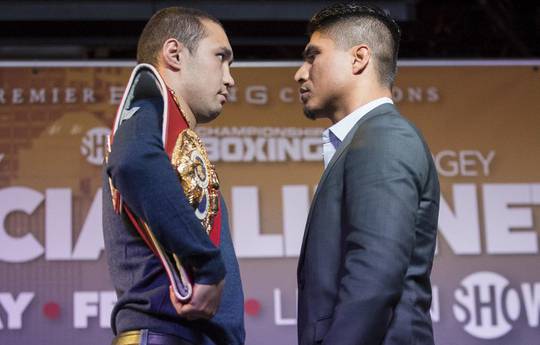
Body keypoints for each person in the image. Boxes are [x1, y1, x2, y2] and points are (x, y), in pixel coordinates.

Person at [294, 2, 440, 345]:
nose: (300, 72)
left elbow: (375, 274)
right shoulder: (368, 138)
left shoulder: (384, 137)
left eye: (312, 56)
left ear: (359, 58)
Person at [102, 7, 244, 345]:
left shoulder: (162, 127)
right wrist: (208, 266)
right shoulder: (146, 111)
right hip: (167, 334)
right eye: (220, 57)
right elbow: (132, 162)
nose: (229, 78)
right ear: (174, 53)